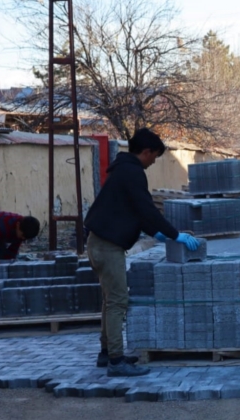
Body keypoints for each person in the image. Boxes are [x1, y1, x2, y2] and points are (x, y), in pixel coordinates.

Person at [84, 128, 200, 377]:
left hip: (99, 243)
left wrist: (156, 233)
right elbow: (147, 209)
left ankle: (107, 352)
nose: (153, 162)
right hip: (107, 245)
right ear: (145, 152)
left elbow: (136, 211)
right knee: (117, 302)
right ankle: (116, 361)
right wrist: (173, 234)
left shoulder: (122, 170)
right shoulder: (132, 172)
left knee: (110, 301)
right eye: (154, 157)